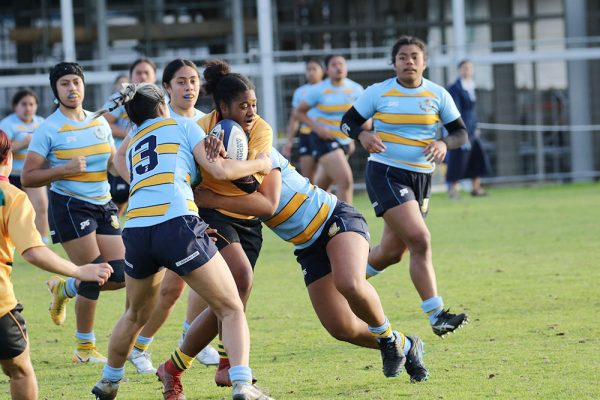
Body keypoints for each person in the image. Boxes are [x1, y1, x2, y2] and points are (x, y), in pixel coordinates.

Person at [89, 82, 273, 400]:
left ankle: (108, 380)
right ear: (163, 105)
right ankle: (243, 384)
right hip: (177, 223)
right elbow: (220, 168)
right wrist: (261, 164)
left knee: (133, 313)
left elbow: (127, 165)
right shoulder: (184, 124)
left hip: (136, 229)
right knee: (230, 306)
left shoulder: (134, 142)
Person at [193, 146, 429, 383]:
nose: (249, 113)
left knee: (349, 282)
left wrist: (214, 200)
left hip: (335, 218)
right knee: (341, 328)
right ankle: (406, 344)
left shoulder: (261, 151)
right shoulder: (217, 174)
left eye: (252, 106)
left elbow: (268, 205)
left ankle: (388, 339)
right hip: (307, 247)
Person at [340, 35, 469, 337]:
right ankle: (436, 314)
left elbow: (461, 133)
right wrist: (362, 136)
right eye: (402, 57)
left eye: (414, 56)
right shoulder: (379, 92)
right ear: (394, 63)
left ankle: (344, 281)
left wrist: (444, 143)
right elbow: (347, 122)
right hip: (386, 173)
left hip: (421, 178)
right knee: (420, 239)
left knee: (391, 252)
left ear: (424, 62)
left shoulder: (438, 95)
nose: (408, 61)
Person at [21, 62, 126, 364]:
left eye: (76, 82)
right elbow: (28, 177)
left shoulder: (99, 122)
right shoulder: (49, 128)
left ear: (83, 86)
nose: (72, 88)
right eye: (65, 83)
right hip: (69, 206)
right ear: (56, 90)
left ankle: (64, 286)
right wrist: (63, 169)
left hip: (103, 204)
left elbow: (110, 164)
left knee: (121, 274)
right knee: (94, 274)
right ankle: (84, 349)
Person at [0, 128, 113, 400]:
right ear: (8, 158)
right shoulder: (11, 196)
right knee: (20, 371)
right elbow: (33, 251)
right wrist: (78, 270)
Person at [125, 59, 218, 375]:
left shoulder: (206, 121)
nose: (189, 86)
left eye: (193, 80)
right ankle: (140, 348)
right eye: (181, 81)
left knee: (193, 286)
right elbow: (119, 159)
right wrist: (144, 188)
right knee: (165, 292)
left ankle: (193, 340)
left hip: (195, 213)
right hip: (165, 215)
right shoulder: (154, 121)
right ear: (166, 88)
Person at [193, 59, 273, 386]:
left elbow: (253, 184)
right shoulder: (200, 127)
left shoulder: (262, 130)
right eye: (243, 106)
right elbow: (194, 173)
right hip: (212, 217)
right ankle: (231, 369)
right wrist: (219, 165)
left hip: (248, 221)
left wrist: (226, 163)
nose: (251, 111)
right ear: (222, 107)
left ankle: (210, 364)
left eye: (253, 104)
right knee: (241, 277)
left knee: (233, 296)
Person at [293, 54, 365, 204]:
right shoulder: (319, 90)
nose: (339, 67)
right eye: (334, 65)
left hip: (344, 142)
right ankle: (348, 223)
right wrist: (318, 129)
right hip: (323, 140)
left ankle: (307, 214)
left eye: (342, 64)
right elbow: (298, 112)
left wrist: (357, 132)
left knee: (320, 189)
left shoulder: (356, 89)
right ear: (327, 70)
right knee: (345, 181)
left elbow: (365, 116)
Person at [103, 59, 157, 216]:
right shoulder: (121, 97)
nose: (143, 76)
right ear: (131, 76)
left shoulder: (163, 100)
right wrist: (132, 133)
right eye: (138, 73)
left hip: (152, 158)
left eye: (147, 72)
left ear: (154, 76)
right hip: (123, 158)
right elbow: (104, 124)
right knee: (118, 203)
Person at [0, 89, 49, 242]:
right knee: (12, 211)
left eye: (31, 104)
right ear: (16, 106)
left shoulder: (41, 122)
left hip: (33, 172)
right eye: (24, 104)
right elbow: (3, 149)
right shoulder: (8, 124)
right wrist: (23, 143)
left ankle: (42, 239)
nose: (28, 108)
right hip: (11, 174)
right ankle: (10, 240)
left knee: (40, 206)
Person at [446, 59, 491, 198]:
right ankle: (453, 191)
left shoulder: (471, 86)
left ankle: (476, 188)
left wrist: (475, 126)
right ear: (460, 70)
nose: (467, 71)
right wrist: (461, 130)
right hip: (461, 130)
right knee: (457, 160)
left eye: (469, 68)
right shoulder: (455, 88)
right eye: (464, 68)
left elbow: (473, 111)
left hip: (472, 130)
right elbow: (456, 110)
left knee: (477, 158)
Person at [281, 58, 325, 181]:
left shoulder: (328, 88)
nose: (311, 72)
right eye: (308, 69)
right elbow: (294, 118)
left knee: (323, 179)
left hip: (324, 136)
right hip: (306, 136)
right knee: (308, 180)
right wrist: (289, 141)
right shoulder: (300, 92)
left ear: (323, 71)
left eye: (314, 69)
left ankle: (328, 200)